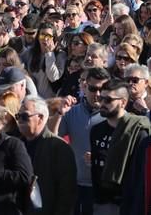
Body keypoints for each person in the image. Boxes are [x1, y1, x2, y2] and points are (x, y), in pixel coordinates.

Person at [49, 67, 110, 215]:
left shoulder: (115, 116)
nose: (98, 94)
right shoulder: (72, 111)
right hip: (76, 183)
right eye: (93, 88)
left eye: (102, 89)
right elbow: (51, 137)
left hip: (105, 186)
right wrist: (59, 114)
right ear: (84, 86)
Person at [90, 79, 151, 214]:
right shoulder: (96, 130)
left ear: (123, 102)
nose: (102, 103)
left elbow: (140, 172)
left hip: (125, 202)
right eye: (101, 98)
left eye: (108, 100)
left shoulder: (138, 132)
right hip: (100, 200)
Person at [18, 96, 77, 215]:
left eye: (24, 116)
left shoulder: (59, 147)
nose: (20, 120)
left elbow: (66, 193)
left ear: (40, 118)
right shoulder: (16, 144)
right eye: (18, 116)